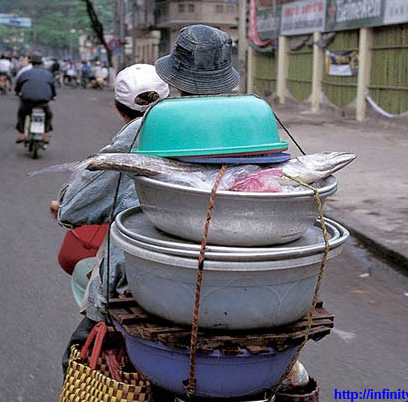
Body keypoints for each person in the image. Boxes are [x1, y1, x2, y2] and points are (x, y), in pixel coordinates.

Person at [52, 24, 239, 375]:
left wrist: (65, 207)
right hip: (238, 274)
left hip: (148, 280)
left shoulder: (146, 128)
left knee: (77, 360)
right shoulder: (250, 123)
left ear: (174, 79)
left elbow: (76, 206)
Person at [14, 52, 56, 143]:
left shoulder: (25, 73)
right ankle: (45, 133)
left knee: (22, 114)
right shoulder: (48, 74)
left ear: (30, 61)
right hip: (43, 103)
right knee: (49, 115)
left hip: (27, 102)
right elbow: (52, 88)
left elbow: (18, 85)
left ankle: (22, 133)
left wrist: (17, 92)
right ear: (41, 62)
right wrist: (53, 96)